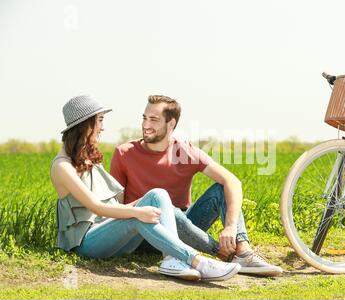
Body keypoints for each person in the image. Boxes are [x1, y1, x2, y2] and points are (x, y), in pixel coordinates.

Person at [50, 95, 242, 282]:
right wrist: (136, 211)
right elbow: (95, 207)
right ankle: (197, 261)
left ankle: (172, 259)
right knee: (138, 216)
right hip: (86, 241)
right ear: (85, 125)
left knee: (158, 194)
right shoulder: (62, 167)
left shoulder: (85, 160)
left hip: (108, 229)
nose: (102, 127)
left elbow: (111, 203)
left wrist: (144, 203)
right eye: (99, 121)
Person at [110, 95, 283, 277]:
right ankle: (220, 251)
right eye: (144, 118)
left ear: (171, 124)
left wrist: (230, 227)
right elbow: (118, 209)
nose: (146, 125)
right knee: (165, 208)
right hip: (144, 233)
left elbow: (233, 182)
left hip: (185, 230)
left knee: (221, 189)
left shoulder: (184, 152)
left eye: (154, 119)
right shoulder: (124, 153)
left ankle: (243, 251)